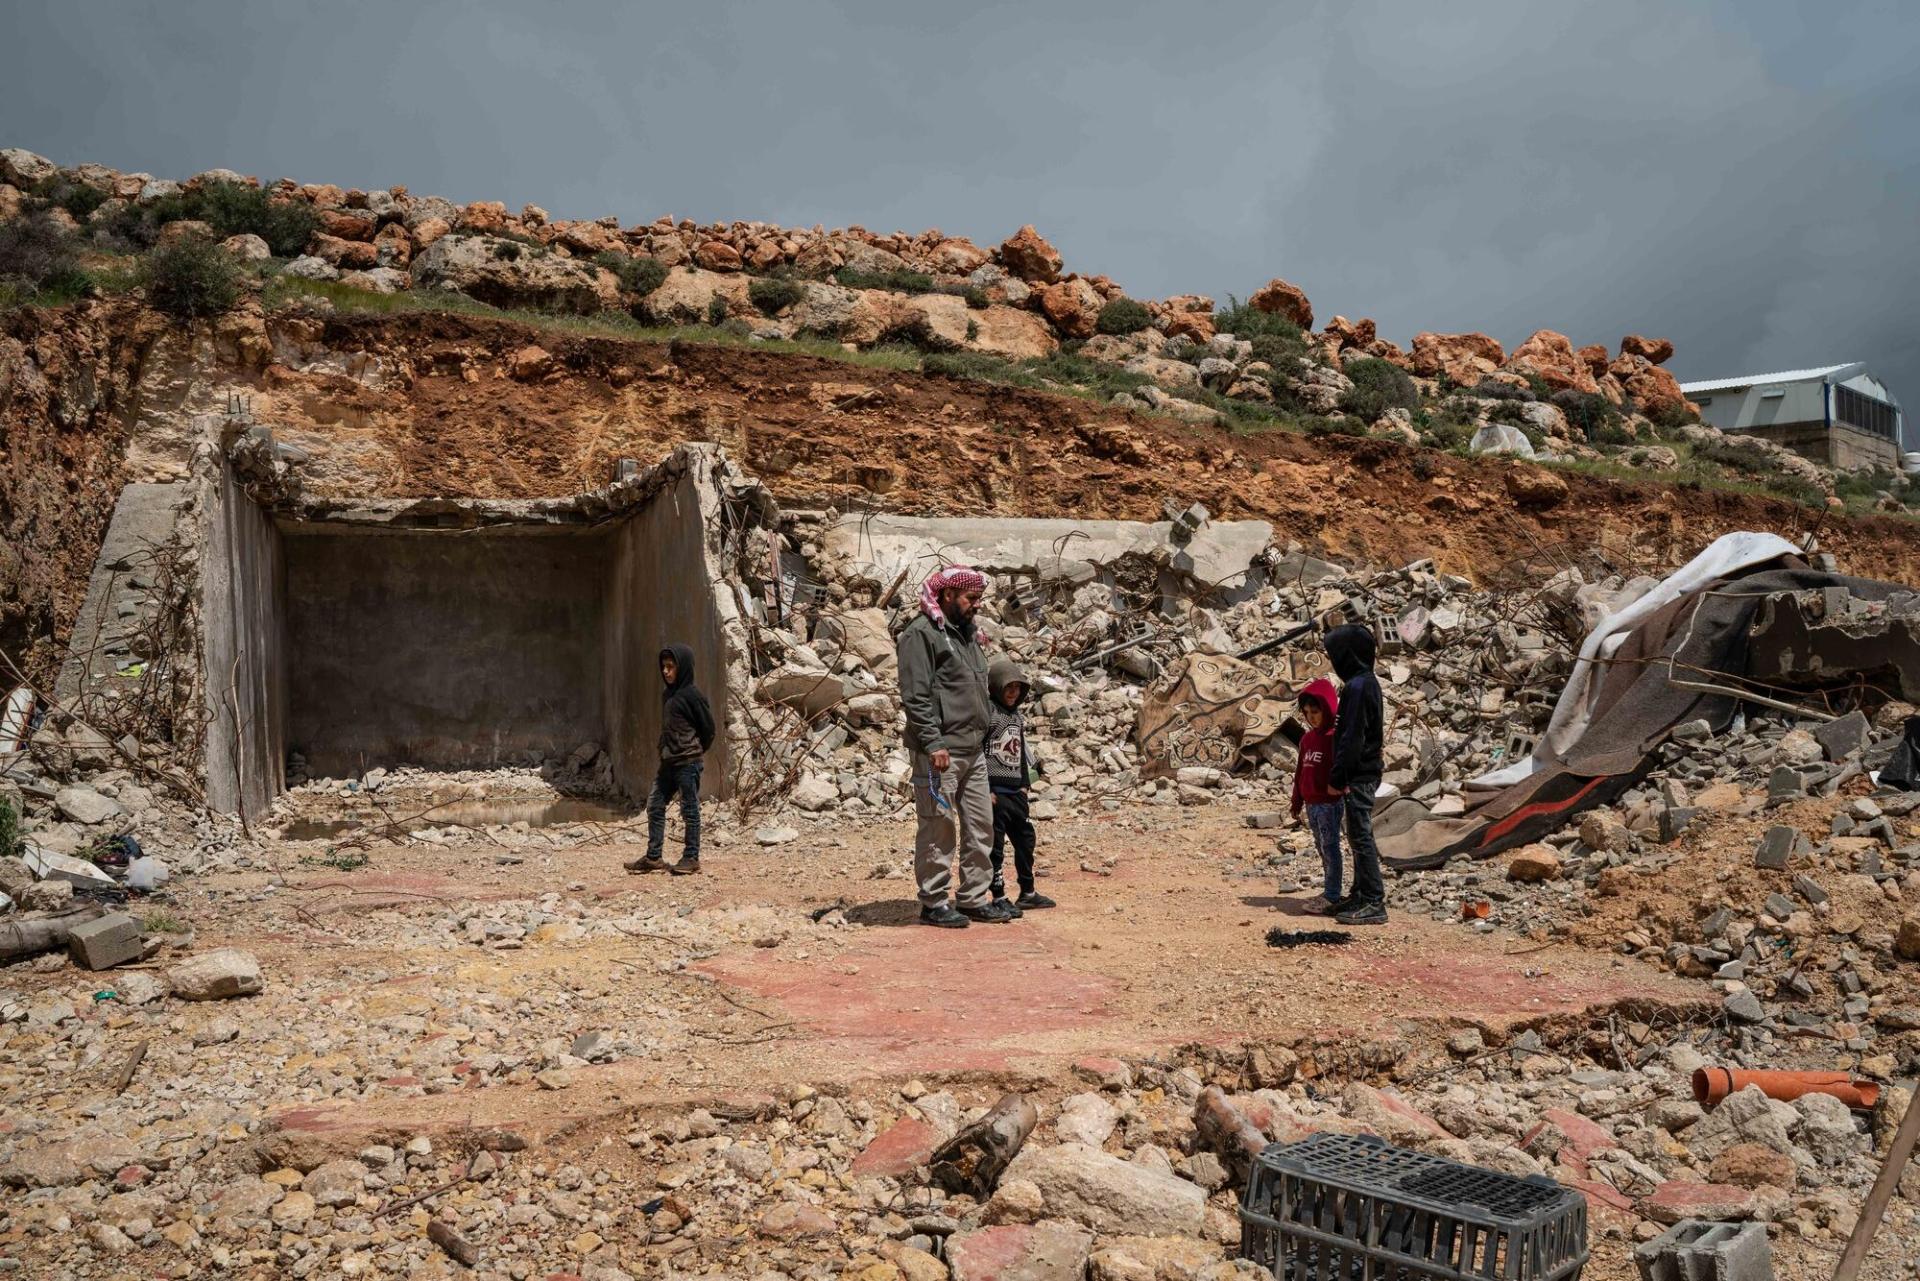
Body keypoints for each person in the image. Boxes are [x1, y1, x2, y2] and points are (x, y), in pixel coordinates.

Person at [896, 564, 1010, 927]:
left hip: (973, 751)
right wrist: (933, 742)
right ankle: (933, 901)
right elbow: (915, 696)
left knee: (981, 826)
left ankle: (974, 897)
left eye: (979, 598)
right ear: (946, 596)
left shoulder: (966, 635)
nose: (977, 605)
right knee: (938, 826)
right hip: (941, 753)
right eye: (970, 598)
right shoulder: (921, 635)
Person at [626, 644, 715, 876]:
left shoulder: (692, 696)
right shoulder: (669, 695)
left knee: (690, 809)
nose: (665, 672)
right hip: (668, 763)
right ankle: (654, 856)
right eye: (663, 667)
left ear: (682, 668)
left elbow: (709, 730)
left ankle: (691, 857)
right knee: (655, 805)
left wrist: (693, 751)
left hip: (687, 763)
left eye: (670, 667)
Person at [1324, 623, 1387, 925]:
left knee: (1360, 836)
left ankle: (1374, 900)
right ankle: (1360, 893)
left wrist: (1338, 778)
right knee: (1356, 834)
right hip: (1361, 772)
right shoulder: (1364, 683)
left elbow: (1352, 739)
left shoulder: (1359, 687)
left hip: (1358, 775)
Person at [985, 658, 1055, 916]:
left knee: (1026, 840)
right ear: (995, 687)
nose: (1014, 693)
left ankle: (1027, 891)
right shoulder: (989, 714)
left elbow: (1022, 754)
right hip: (994, 794)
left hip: (1016, 794)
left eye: (1018, 687)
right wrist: (984, 788)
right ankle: (998, 895)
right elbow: (978, 753)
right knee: (996, 848)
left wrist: (1025, 786)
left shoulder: (1017, 717)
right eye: (1008, 687)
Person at [1288, 676, 1344, 915]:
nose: (1311, 717)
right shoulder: (1307, 739)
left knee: (1330, 846)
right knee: (1322, 846)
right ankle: (1329, 889)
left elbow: (1342, 768)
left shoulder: (1335, 737)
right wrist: (1296, 800)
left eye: (1316, 711)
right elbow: (1301, 770)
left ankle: (1332, 894)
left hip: (1329, 803)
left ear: (1328, 709)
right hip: (1312, 803)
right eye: (1307, 712)